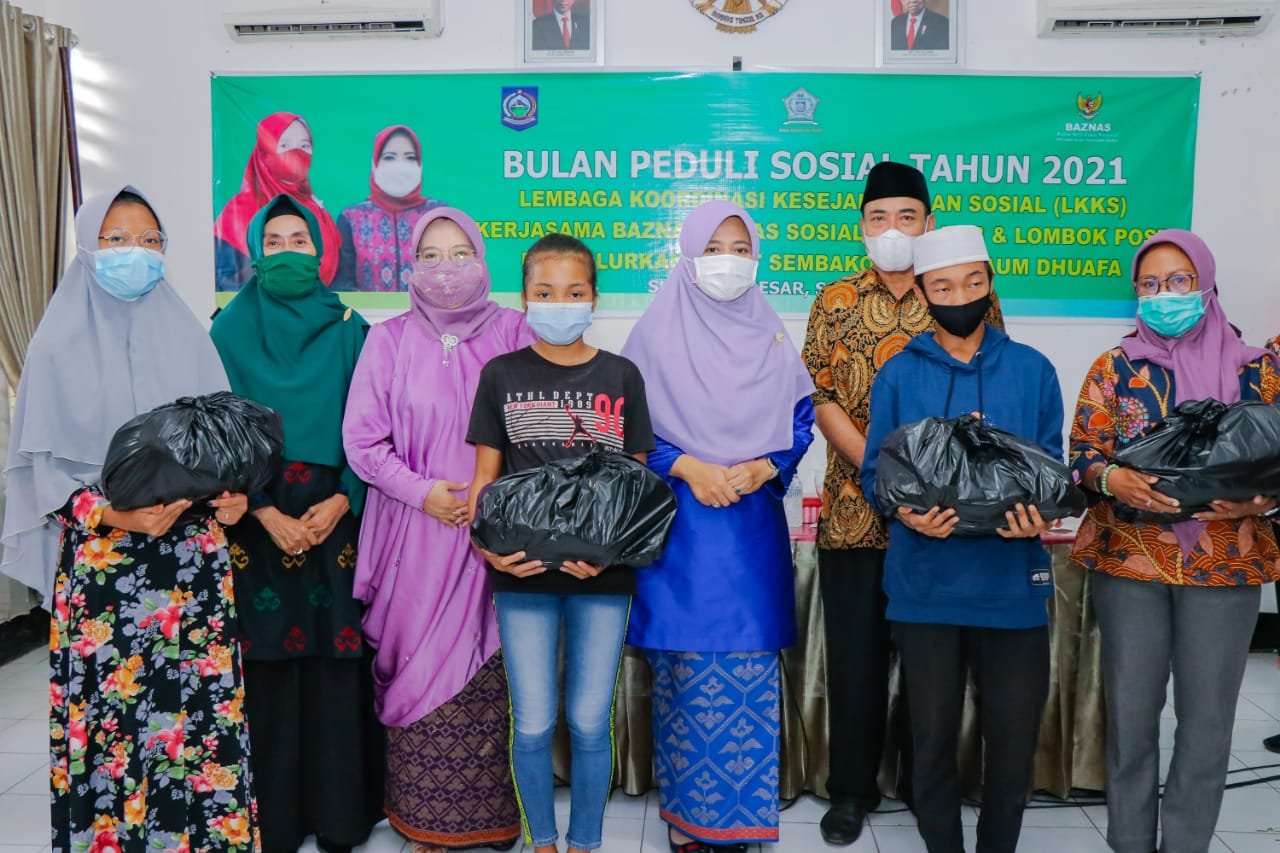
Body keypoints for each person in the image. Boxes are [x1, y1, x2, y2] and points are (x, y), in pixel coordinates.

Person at [0, 186, 257, 852]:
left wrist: (234, 499)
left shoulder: (189, 337)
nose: (133, 252)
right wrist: (114, 513)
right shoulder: (53, 348)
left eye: (149, 239)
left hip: (192, 570)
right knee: (114, 724)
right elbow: (41, 475)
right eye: (115, 239)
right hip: (106, 570)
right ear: (88, 246)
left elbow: (223, 451)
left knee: (197, 724)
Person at [800, 161, 1004, 845]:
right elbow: (821, 396)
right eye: (879, 217)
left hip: (944, 518)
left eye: (906, 216)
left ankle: (925, 785)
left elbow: (991, 383)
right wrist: (885, 473)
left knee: (933, 668)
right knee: (855, 663)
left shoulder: (958, 294)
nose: (892, 229)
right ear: (862, 226)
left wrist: (929, 484)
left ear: (928, 222)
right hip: (856, 513)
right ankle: (851, 791)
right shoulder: (834, 299)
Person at [1069, 229, 1280, 853]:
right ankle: (1130, 843)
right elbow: (1081, 453)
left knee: (1207, 724)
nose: (1165, 294)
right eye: (1151, 284)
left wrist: (1262, 501)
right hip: (1131, 561)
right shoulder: (1115, 368)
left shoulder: (1258, 371)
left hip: (1225, 563)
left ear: (1206, 284)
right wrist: (1112, 479)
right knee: (1131, 718)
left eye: (1179, 281)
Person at [861, 225, 1062, 853]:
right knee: (931, 740)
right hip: (925, 585)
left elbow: (1052, 469)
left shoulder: (1032, 369)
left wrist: (1040, 514)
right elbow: (874, 474)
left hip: (1011, 586)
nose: (960, 296)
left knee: (1013, 742)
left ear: (990, 284)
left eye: (973, 282)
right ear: (923, 293)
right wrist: (905, 513)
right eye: (943, 286)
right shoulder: (899, 374)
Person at [621, 201, 815, 852]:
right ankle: (689, 821)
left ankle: (740, 823)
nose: (727, 261)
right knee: (683, 675)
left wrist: (766, 466)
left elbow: (800, 418)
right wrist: (686, 465)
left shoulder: (770, 335)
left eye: (740, 249)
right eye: (713, 248)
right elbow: (626, 426)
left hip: (750, 533)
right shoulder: (653, 336)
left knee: (748, 673)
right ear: (687, 254)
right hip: (679, 533)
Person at [343, 206, 536, 850]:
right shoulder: (388, 339)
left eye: (459, 253)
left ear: (482, 259)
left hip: (495, 535)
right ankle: (423, 819)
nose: (445, 268)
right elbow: (362, 443)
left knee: (492, 666)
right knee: (418, 667)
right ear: (410, 265)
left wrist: (492, 497)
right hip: (413, 537)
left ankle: (492, 818)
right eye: (430, 255)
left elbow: (538, 429)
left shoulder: (515, 330)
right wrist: (423, 493)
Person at [466, 233, 655, 853]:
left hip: (602, 577)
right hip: (520, 574)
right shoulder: (500, 374)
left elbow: (634, 486)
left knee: (589, 722)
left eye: (574, 292)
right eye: (545, 293)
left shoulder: (622, 374)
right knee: (533, 723)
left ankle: (585, 844)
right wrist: (486, 548)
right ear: (524, 298)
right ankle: (543, 842)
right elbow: (485, 479)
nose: (560, 304)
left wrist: (607, 555)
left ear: (594, 298)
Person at [211, 194, 383, 853]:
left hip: (335, 513)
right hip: (254, 516)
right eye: (275, 242)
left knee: (339, 659)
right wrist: (261, 508)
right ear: (256, 251)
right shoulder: (227, 330)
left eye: (299, 240)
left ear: (321, 249)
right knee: (268, 665)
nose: (288, 252)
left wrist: (343, 500)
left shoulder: (350, 328)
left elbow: (375, 427)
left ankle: (342, 817)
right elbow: (216, 429)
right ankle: (275, 820)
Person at [214, 112, 342, 291]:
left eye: (304, 145)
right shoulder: (239, 210)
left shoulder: (318, 211)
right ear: (264, 152)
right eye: (285, 145)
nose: (296, 152)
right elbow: (225, 281)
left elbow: (340, 278)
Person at [334, 125, 445, 292]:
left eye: (410, 157)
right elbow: (342, 284)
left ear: (420, 165)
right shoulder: (351, 218)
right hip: (368, 309)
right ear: (375, 164)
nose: (400, 165)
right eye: (389, 157)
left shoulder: (438, 214)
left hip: (429, 309)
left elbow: (452, 275)